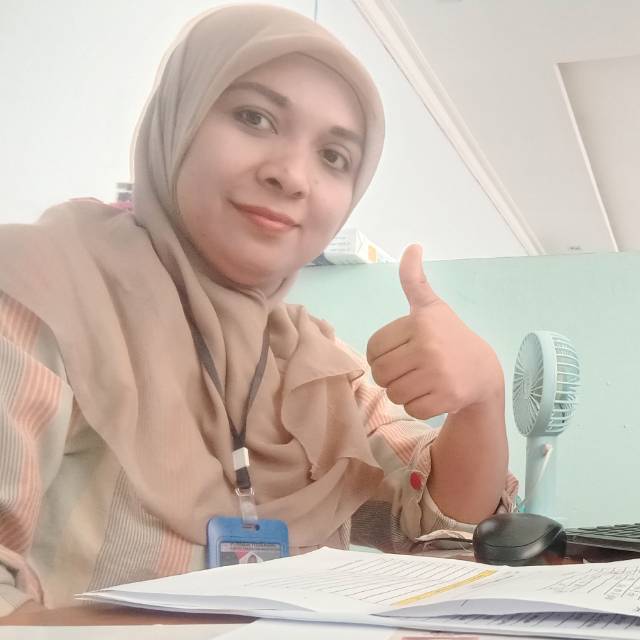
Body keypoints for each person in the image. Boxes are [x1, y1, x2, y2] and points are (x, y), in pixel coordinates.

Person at [0, 4, 516, 618]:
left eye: (334, 156)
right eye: (254, 117)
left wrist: (482, 398)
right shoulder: (37, 291)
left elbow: (438, 521)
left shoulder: (315, 364)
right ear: (180, 119)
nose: (292, 176)